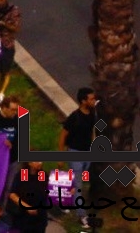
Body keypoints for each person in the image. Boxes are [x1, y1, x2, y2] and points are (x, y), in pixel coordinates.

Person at [60, 87, 98, 229]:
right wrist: (60, 156)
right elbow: (63, 136)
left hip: (87, 153)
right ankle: (82, 216)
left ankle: (66, 200)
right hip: (74, 153)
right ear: (83, 101)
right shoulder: (74, 117)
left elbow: (91, 131)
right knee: (79, 186)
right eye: (91, 99)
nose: (94, 101)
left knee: (79, 182)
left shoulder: (92, 113)